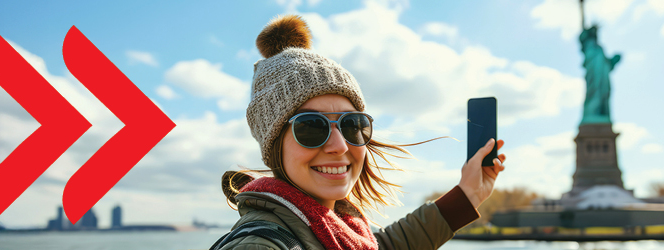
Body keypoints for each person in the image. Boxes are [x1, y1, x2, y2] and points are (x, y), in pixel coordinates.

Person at [217, 14, 507, 250]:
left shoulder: (335, 230)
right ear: (274, 145)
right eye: (311, 126)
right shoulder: (260, 245)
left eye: (352, 125)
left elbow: (386, 246)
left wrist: (468, 194)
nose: (340, 145)